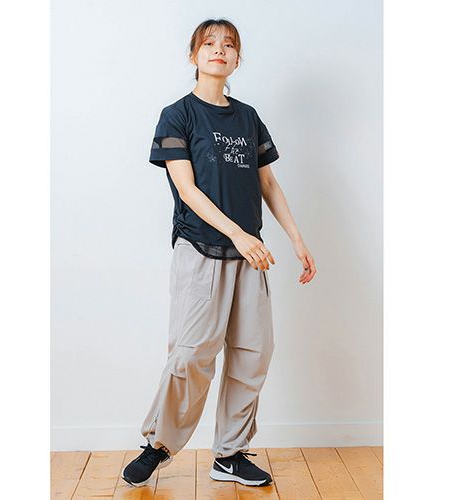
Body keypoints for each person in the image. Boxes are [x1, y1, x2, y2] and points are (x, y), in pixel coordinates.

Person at [122, 18, 316, 489]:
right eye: (209, 43)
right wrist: (239, 234)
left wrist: (296, 238)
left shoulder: (248, 117)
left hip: (250, 256)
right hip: (201, 249)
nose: (219, 50)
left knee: (254, 353)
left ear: (236, 59)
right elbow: (186, 189)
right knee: (191, 355)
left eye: (229, 45)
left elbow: (268, 182)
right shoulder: (178, 115)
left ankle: (229, 454)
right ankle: (159, 445)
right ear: (194, 55)